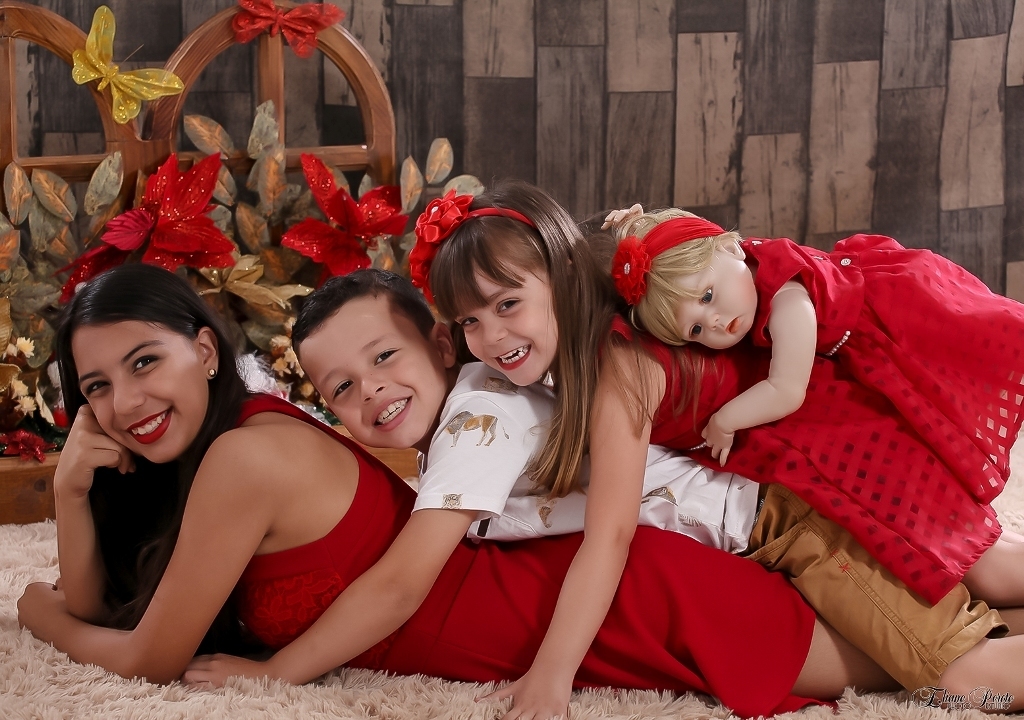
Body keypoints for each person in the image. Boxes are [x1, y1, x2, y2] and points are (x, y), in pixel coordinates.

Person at [16, 264, 891, 719]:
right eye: (96, 388)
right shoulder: (233, 444)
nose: (126, 402)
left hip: (628, 600)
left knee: (925, 664)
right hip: (548, 604)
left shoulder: (247, 459)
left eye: (145, 362)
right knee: (911, 645)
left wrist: (37, 614)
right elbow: (112, 611)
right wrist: (70, 491)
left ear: (205, 351)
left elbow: (146, 657)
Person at [411, 182, 1024, 716]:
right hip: (815, 476)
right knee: (987, 580)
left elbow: (610, 535)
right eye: (469, 322)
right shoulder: (610, 321)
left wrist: (551, 673)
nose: (490, 336)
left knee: (965, 684)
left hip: (809, 509)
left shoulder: (619, 369)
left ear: (564, 275)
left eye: (508, 304)